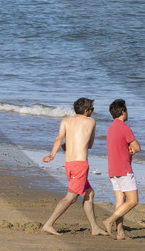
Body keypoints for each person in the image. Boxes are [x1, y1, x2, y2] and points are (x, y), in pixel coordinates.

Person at [41, 97, 106, 236]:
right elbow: (90, 145)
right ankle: (48, 224)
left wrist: (51, 155)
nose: (92, 112)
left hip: (69, 164)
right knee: (71, 197)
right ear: (87, 110)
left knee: (89, 193)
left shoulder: (66, 121)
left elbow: (59, 138)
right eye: (92, 109)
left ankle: (94, 228)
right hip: (80, 164)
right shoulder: (91, 121)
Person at [105, 99, 142, 240]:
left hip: (112, 169)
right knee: (133, 200)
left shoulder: (110, 128)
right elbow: (137, 147)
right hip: (123, 169)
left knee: (120, 201)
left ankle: (120, 232)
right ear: (123, 112)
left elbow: (120, 146)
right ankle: (109, 220)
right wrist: (132, 149)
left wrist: (129, 149)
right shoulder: (124, 128)